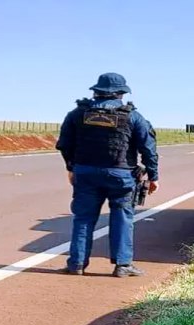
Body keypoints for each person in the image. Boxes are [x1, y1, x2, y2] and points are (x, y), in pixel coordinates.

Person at [56, 72, 159, 277]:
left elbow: (65, 145)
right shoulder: (133, 116)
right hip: (121, 175)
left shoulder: (77, 114)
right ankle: (122, 265)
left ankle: (76, 264)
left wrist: (71, 168)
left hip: (85, 173)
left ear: (96, 92)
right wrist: (153, 176)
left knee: (83, 218)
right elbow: (148, 148)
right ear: (120, 93)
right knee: (122, 217)